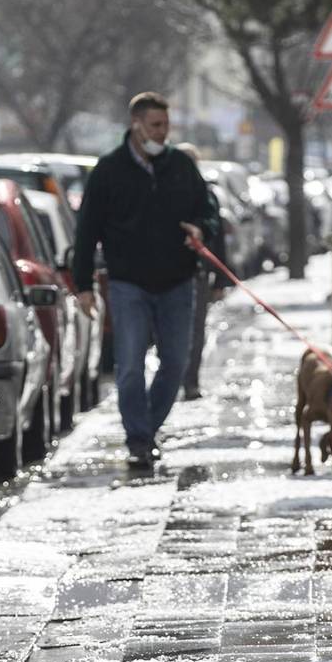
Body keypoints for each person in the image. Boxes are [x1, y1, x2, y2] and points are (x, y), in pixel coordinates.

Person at [73, 91, 219, 469]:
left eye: (166, 125)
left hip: (177, 281)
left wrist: (201, 229)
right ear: (136, 125)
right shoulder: (109, 170)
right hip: (128, 283)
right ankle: (138, 439)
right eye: (156, 125)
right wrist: (83, 285)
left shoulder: (181, 167)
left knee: (175, 363)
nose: (162, 132)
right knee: (130, 365)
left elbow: (209, 212)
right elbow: (86, 230)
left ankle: (146, 428)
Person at [174, 142, 227, 401]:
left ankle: (190, 381)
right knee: (173, 330)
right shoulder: (163, 193)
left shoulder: (207, 196)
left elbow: (218, 239)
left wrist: (221, 278)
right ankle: (176, 377)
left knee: (196, 330)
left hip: (199, 273)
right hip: (169, 275)